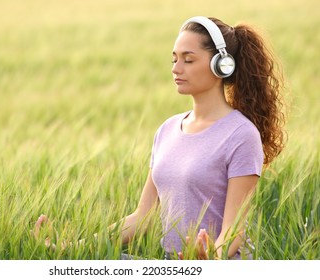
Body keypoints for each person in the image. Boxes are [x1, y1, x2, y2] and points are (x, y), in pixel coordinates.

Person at [34, 16, 286, 260]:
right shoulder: (167, 129)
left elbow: (234, 231)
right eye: (174, 59)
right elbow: (143, 217)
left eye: (188, 60)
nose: (176, 69)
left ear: (222, 65)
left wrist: (210, 258)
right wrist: (74, 248)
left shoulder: (241, 135)